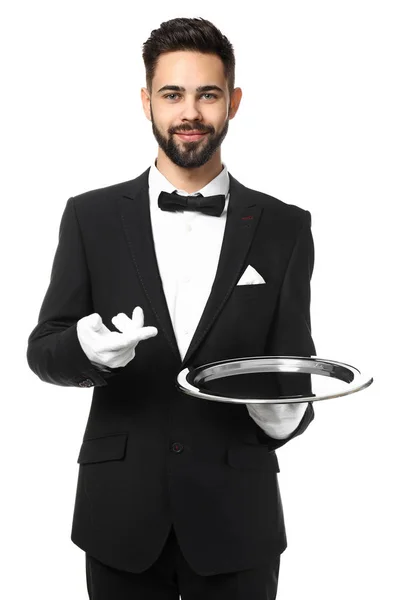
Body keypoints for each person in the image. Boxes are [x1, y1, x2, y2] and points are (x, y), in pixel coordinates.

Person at [26, 16, 316, 600]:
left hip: (238, 518)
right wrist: (87, 349)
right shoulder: (90, 217)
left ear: (232, 102)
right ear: (146, 102)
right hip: (119, 516)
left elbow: (295, 364)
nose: (190, 112)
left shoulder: (286, 227)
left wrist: (286, 416)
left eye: (208, 94)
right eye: (172, 94)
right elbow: (44, 350)